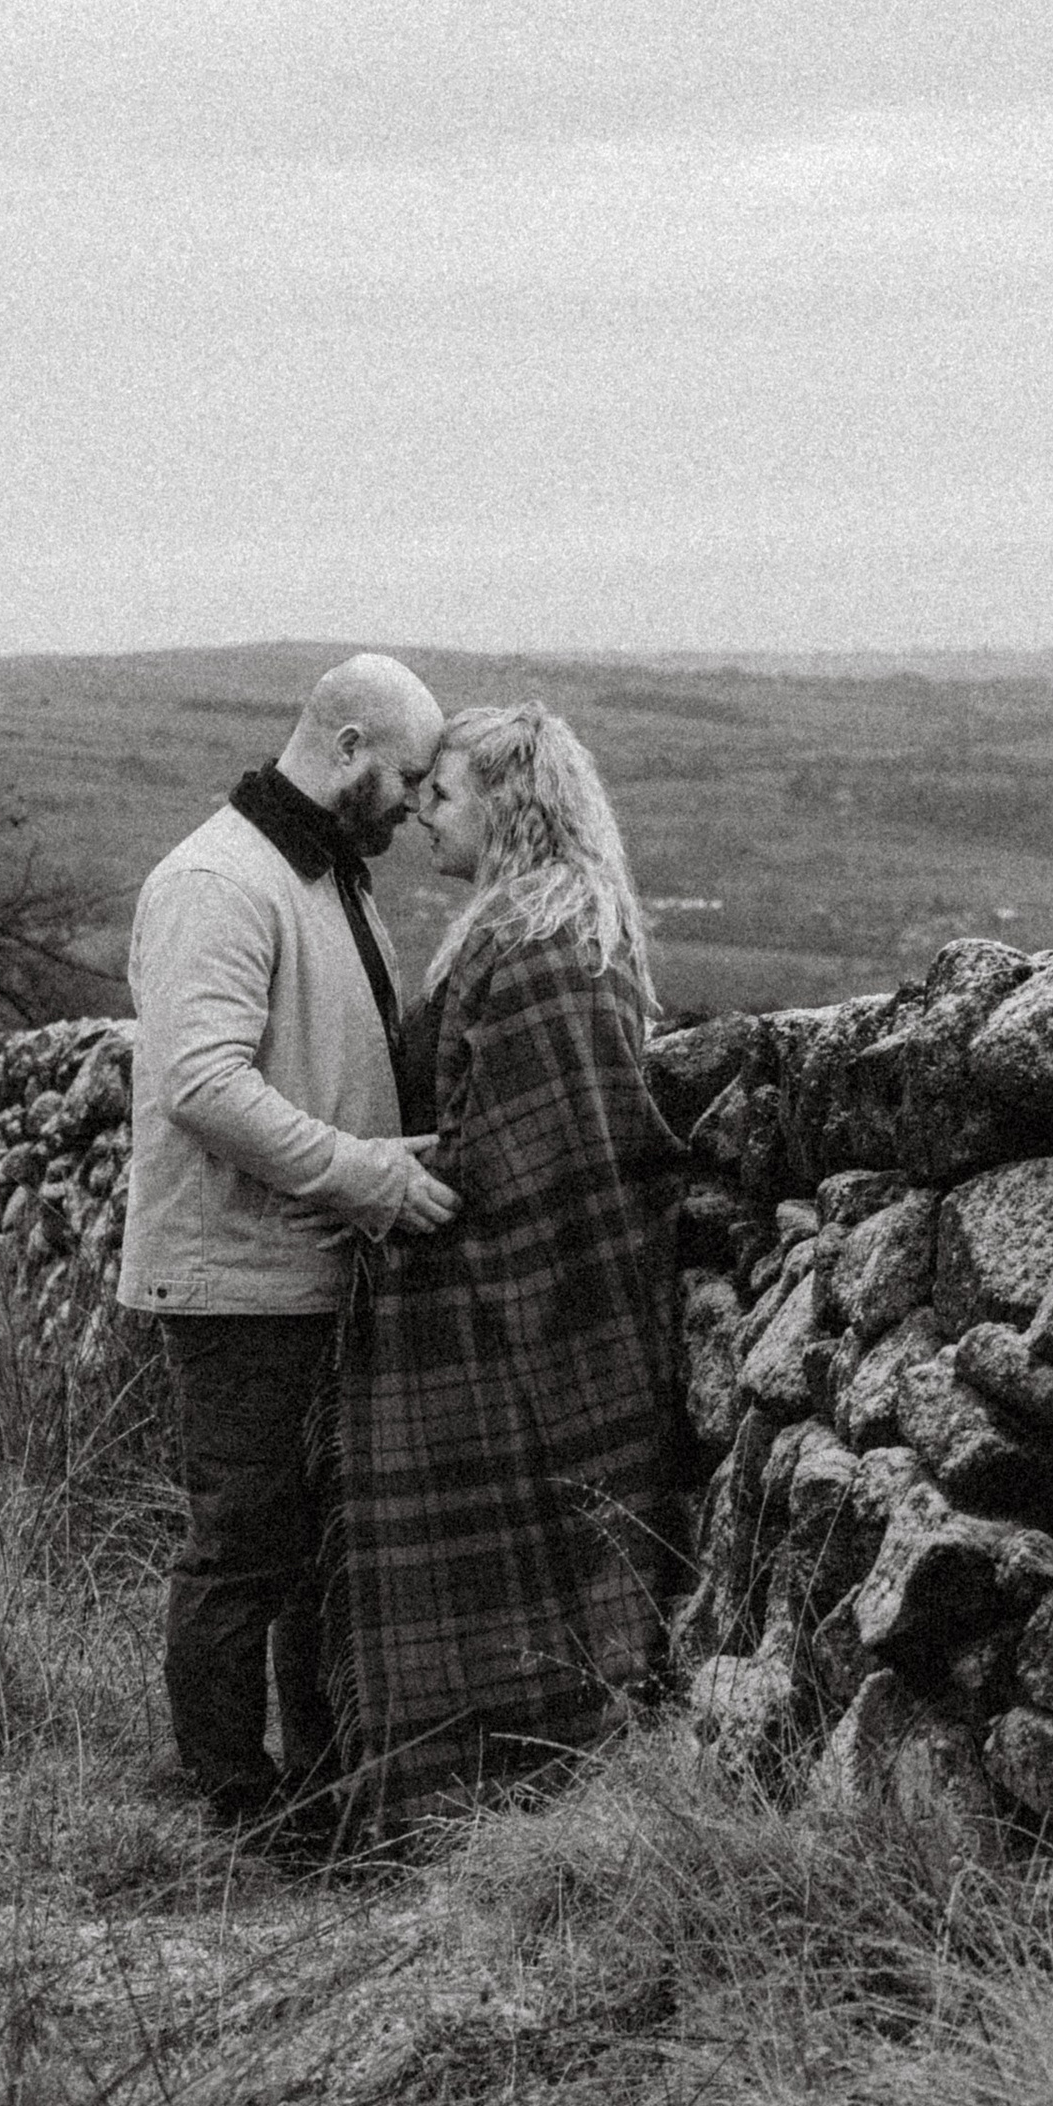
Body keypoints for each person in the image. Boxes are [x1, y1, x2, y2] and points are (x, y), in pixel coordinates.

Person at [324, 700, 686, 1836]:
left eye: (442, 793)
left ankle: (500, 1815)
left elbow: (548, 1152)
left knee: (506, 1569)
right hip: (472, 1294)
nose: (420, 814)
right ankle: (481, 1816)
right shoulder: (530, 925)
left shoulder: (539, 945)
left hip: (498, 1303)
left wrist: (389, 1173)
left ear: (511, 805)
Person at [118, 652, 459, 1830]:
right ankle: (230, 1802)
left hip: (308, 1269)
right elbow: (202, 1085)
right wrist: (367, 1176)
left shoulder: (324, 875)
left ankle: (316, 1795)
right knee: (244, 1546)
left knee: (317, 1552)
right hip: (237, 1281)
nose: (415, 804)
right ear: (349, 746)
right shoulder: (217, 880)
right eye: (406, 776)